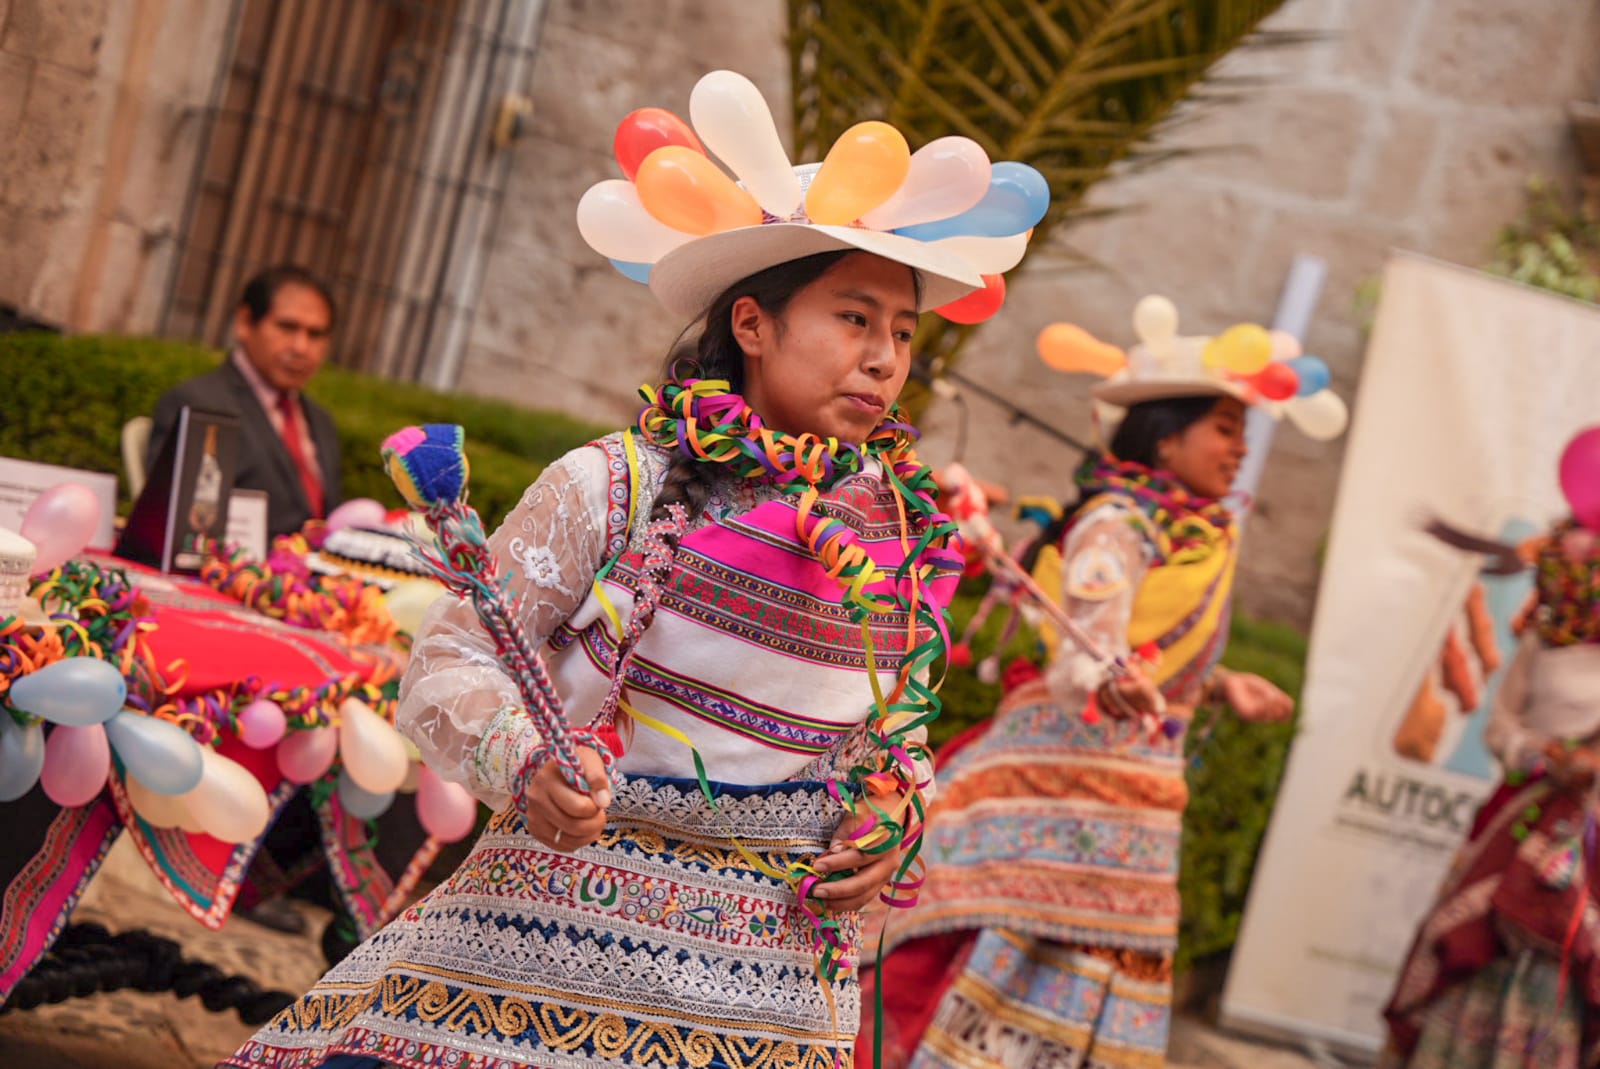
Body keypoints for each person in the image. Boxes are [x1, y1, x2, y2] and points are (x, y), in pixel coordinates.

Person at [221, 71, 1044, 1069]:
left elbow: (893, 731)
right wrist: (528, 767)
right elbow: (447, 664)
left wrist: (886, 821)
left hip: (769, 987)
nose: (883, 358)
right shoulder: (613, 485)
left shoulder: (904, 530)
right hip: (546, 948)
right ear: (752, 325)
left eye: (904, 333)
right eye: (854, 318)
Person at [864, 326, 1303, 1069]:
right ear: (1167, 441)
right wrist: (1108, 680)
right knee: (1000, 960)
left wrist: (1222, 684)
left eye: (1244, 434)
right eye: (1225, 429)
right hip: (1061, 798)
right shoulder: (1114, 524)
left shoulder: (1196, 535)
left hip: (1133, 814)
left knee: (1096, 972)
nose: (1238, 450)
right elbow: (1083, 653)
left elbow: (1146, 651)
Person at [1381, 515, 1600, 1069]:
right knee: (1476, 941)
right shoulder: (1543, 640)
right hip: (1522, 810)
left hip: (1592, 834)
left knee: (1572, 961)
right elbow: (1500, 727)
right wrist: (1543, 757)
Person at [149, 263, 342, 539]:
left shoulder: (321, 422)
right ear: (244, 322)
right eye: (287, 327)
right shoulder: (198, 403)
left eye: (315, 334)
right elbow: (179, 523)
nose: (301, 348)